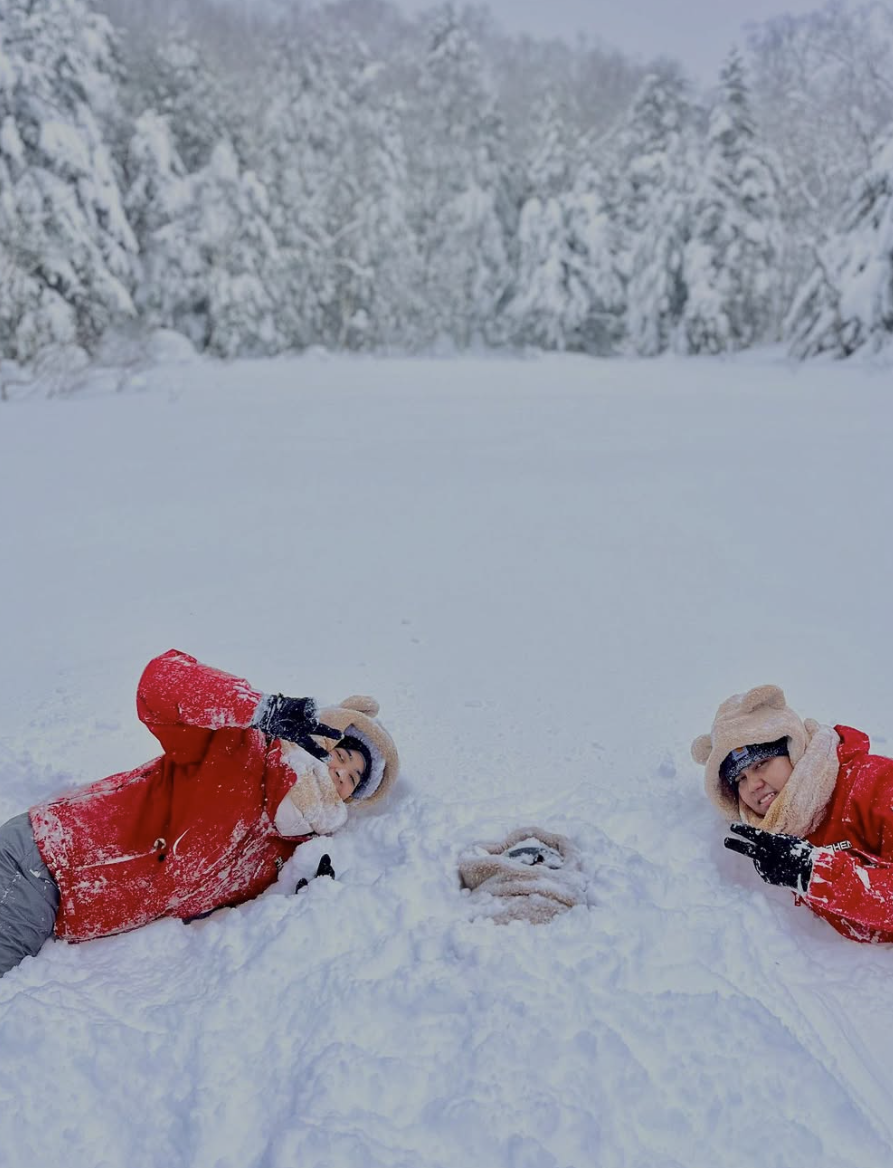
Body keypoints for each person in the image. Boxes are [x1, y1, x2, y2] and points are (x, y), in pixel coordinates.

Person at [0, 649, 398, 976]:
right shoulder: (242, 749)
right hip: (41, 860)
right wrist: (260, 710)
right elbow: (158, 683)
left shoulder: (288, 850)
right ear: (317, 740)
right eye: (342, 756)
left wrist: (313, 898)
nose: (340, 774)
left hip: (59, 913)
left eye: (352, 780)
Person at [691, 683, 893, 943]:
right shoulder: (777, 840)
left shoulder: (875, 782)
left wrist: (814, 872)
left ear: (794, 752)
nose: (753, 785)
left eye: (762, 763)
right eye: (740, 778)